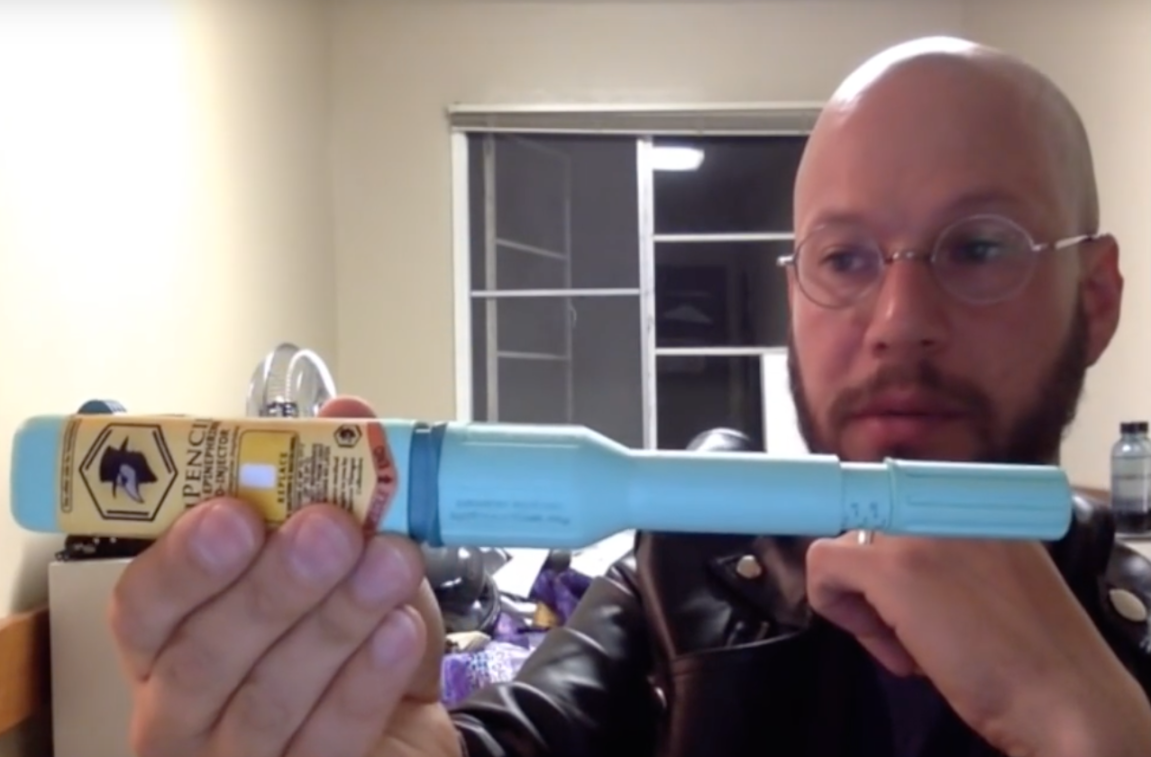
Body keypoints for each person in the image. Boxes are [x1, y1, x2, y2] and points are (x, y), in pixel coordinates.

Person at [107, 35, 1151, 757]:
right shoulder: (692, 566)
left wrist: (1095, 732)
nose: (896, 318)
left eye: (978, 248)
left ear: (1095, 297)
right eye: (843, 257)